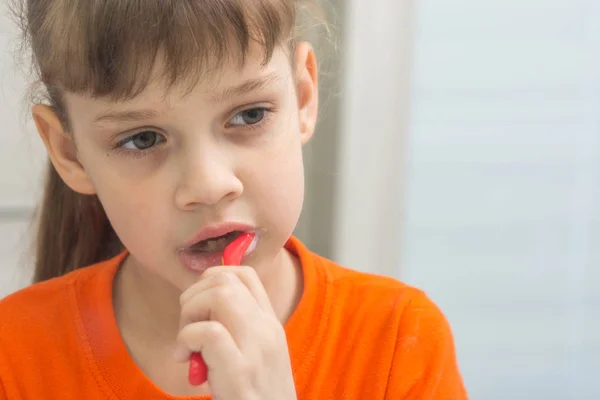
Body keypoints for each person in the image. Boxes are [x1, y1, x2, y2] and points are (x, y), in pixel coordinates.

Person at [0, 0, 468, 398]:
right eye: (142, 139)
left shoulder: (397, 344)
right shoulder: (14, 356)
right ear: (70, 152)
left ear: (303, 97)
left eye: (248, 114)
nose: (209, 184)